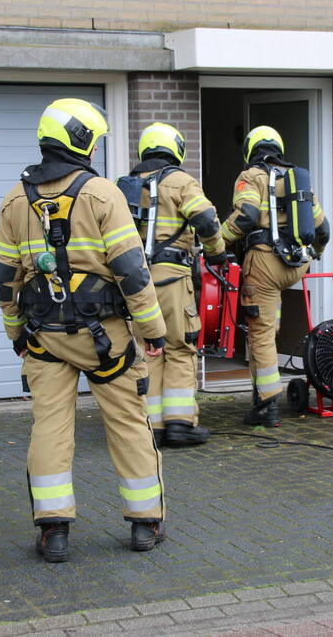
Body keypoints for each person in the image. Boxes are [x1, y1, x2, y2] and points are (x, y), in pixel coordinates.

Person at [0, 98, 167, 563]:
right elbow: (132, 271)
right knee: (129, 423)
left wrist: (15, 332)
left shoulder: (14, 199)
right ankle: (145, 524)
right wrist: (152, 329)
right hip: (105, 339)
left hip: (44, 337)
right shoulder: (103, 194)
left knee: (50, 428)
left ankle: (54, 533)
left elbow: (3, 279)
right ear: (83, 141)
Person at [220, 125, 330, 428]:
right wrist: (314, 253)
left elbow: (245, 217)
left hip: (265, 262)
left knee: (260, 332)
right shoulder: (297, 179)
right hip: (297, 263)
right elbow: (323, 230)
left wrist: (216, 242)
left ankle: (267, 405)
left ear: (250, 150)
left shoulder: (250, 176)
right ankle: (265, 394)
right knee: (270, 317)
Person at [127, 122, 228, 448]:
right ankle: (181, 425)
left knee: (149, 350)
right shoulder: (181, 181)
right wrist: (217, 254)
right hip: (172, 279)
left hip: (136, 283)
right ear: (176, 149)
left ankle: (152, 427)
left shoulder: (126, 185)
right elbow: (207, 220)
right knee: (181, 348)